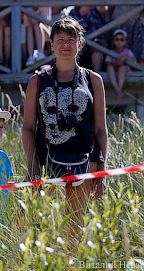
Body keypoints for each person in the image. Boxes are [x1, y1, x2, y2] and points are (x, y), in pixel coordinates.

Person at [22, 16, 108, 242]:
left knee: (75, 230)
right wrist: (33, 169)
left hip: (84, 159)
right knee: (39, 227)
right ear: (51, 44)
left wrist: (101, 171)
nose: (66, 44)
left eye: (71, 39)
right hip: (47, 160)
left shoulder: (93, 80)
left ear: (80, 44)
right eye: (60, 39)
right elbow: (28, 128)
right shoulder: (37, 81)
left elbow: (101, 129)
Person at [70, 0, 107, 74]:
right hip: (78, 45)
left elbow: (103, 8)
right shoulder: (73, 13)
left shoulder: (96, 10)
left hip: (96, 44)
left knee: (97, 45)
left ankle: (96, 77)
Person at [105, 29, 135, 99]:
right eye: (117, 39)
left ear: (125, 41)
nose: (119, 41)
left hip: (125, 70)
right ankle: (117, 90)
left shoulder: (127, 51)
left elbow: (134, 60)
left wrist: (125, 58)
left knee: (122, 68)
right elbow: (107, 62)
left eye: (122, 40)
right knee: (109, 67)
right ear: (113, 40)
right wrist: (116, 63)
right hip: (114, 69)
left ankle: (118, 90)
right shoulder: (111, 52)